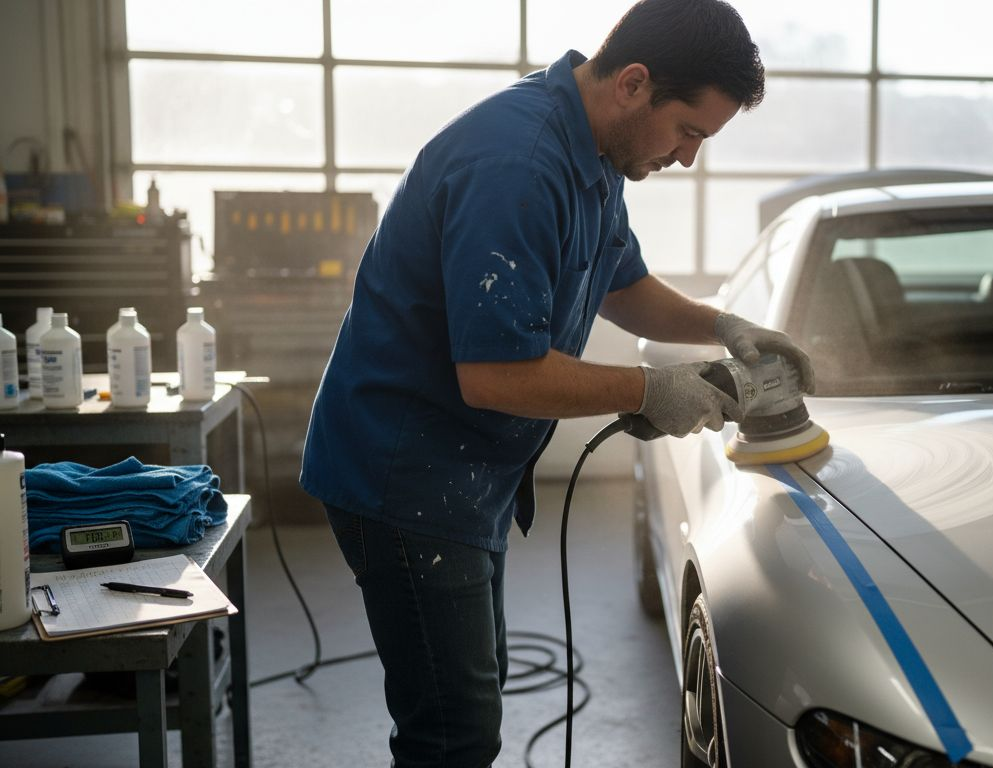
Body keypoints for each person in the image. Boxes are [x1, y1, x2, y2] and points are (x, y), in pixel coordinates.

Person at [301, 1, 813, 765]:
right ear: (634, 83)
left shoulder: (596, 156)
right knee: (453, 730)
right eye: (690, 132)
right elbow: (497, 375)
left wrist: (723, 326)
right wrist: (649, 392)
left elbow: (621, 282)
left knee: (472, 694)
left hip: (463, 476)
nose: (687, 159)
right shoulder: (518, 166)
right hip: (404, 478)